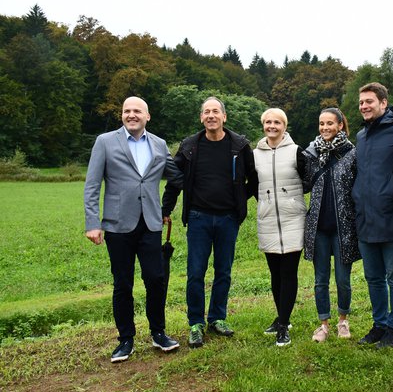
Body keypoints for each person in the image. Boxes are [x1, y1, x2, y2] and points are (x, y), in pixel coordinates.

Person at [84, 96, 182, 363]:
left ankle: (158, 333)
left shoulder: (159, 145)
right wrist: (93, 223)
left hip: (151, 223)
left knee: (155, 279)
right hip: (117, 225)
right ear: (122, 115)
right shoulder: (105, 142)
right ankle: (125, 340)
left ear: (147, 116)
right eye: (127, 111)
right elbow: (92, 185)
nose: (131, 114)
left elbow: (178, 176)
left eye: (137, 110)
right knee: (123, 283)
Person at [162, 97, 257, 348]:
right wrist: (166, 209)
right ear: (201, 118)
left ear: (224, 117)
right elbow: (174, 178)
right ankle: (196, 323)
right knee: (195, 272)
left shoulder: (240, 145)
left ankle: (218, 318)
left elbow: (254, 179)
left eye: (216, 111)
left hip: (228, 219)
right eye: (206, 112)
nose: (211, 115)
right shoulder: (190, 146)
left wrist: (239, 198)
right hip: (198, 218)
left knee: (223, 271)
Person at [352, 82, 393, 349]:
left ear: (383, 103)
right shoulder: (361, 136)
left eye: (369, 101)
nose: (364, 106)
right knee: (373, 277)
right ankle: (379, 325)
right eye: (361, 102)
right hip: (365, 218)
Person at [303, 108, 359, 342]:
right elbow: (304, 183)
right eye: (321, 124)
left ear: (340, 126)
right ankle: (323, 324)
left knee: (343, 280)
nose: (325, 128)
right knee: (320, 279)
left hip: (343, 227)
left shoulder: (352, 153)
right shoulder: (311, 153)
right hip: (318, 227)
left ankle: (343, 321)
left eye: (329, 124)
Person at [254, 108, 307, 347]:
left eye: (277, 122)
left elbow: (309, 178)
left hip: (292, 218)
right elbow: (251, 183)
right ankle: (280, 317)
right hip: (267, 218)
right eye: (268, 122)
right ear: (263, 125)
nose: (272, 126)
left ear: (284, 126)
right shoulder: (255, 154)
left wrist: (292, 200)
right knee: (275, 273)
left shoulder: (296, 152)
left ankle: (284, 325)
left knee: (288, 272)